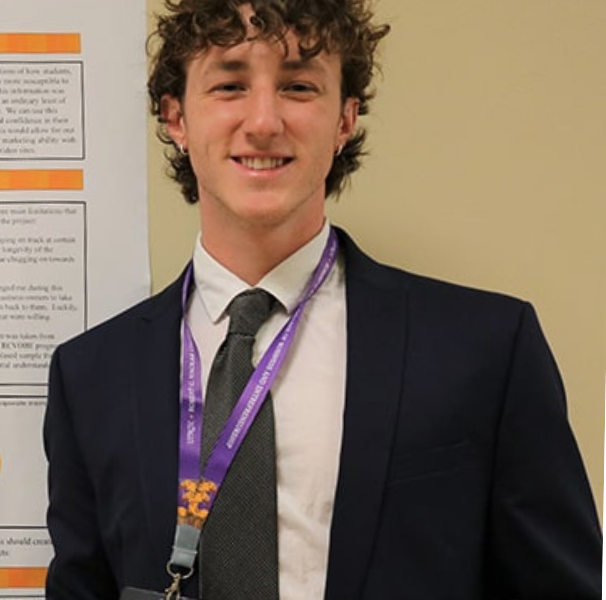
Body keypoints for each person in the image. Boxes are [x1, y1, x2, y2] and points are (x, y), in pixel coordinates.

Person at [42, 0, 603, 598]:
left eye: (299, 86)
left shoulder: (486, 348)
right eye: (230, 84)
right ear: (177, 117)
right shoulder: (92, 375)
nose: (263, 122)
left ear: (345, 119)